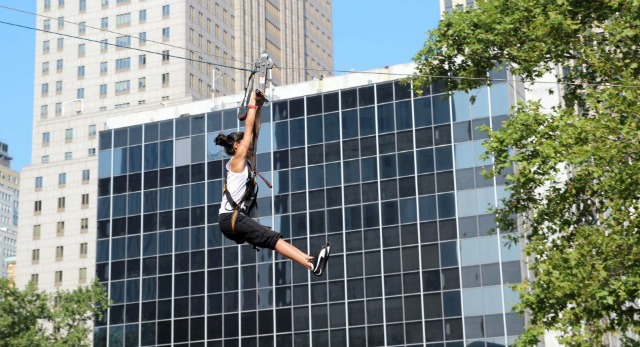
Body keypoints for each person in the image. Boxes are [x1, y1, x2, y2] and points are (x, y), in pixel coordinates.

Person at [215, 89, 330, 276]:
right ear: (237, 146)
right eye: (246, 143)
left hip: (233, 221)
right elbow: (249, 126)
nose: (250, 144)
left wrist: (259, 106)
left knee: (271, 239)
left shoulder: (247, 163)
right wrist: (252, 101)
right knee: (273, 238)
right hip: (230, 219)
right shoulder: (236, 162)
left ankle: (311, 262)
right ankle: (311, 264)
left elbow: (255, 129)